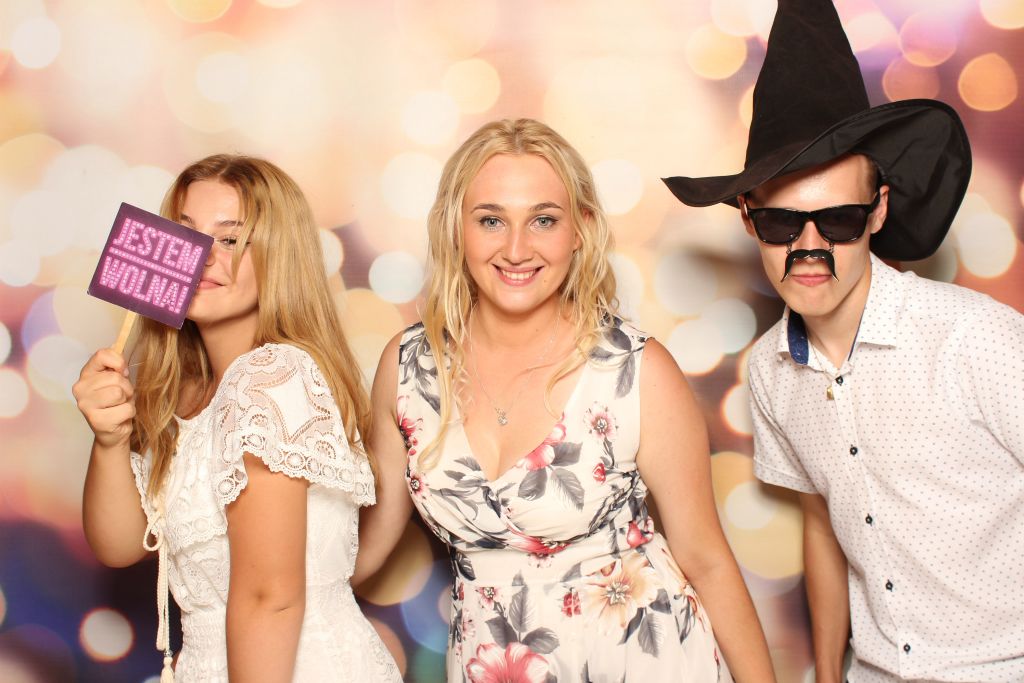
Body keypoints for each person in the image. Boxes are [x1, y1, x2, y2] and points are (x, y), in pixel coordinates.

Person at [662, 1, 1024, 681]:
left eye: (838, 220)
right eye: (782, 223)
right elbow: (824, 525)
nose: (809, 247)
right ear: (749, 220)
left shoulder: (976, 339)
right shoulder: (769, 371)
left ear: (878, 210)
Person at [356, 118, 776, 682]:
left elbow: (707, 559)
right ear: (456, 228)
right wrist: (264, 599)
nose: (516, 249)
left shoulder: (637, 371)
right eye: (491, 220)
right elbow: (371, 542)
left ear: (580, 229)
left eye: (544, 220)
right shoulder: (407, 368)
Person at [73, 154, 401, 682]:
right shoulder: (189, 392)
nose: (203, 257)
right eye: (188, 236)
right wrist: (109, 441)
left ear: (279, 257)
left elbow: (271, 597)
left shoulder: (270, 377)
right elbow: (119, 545)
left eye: (230, 239)